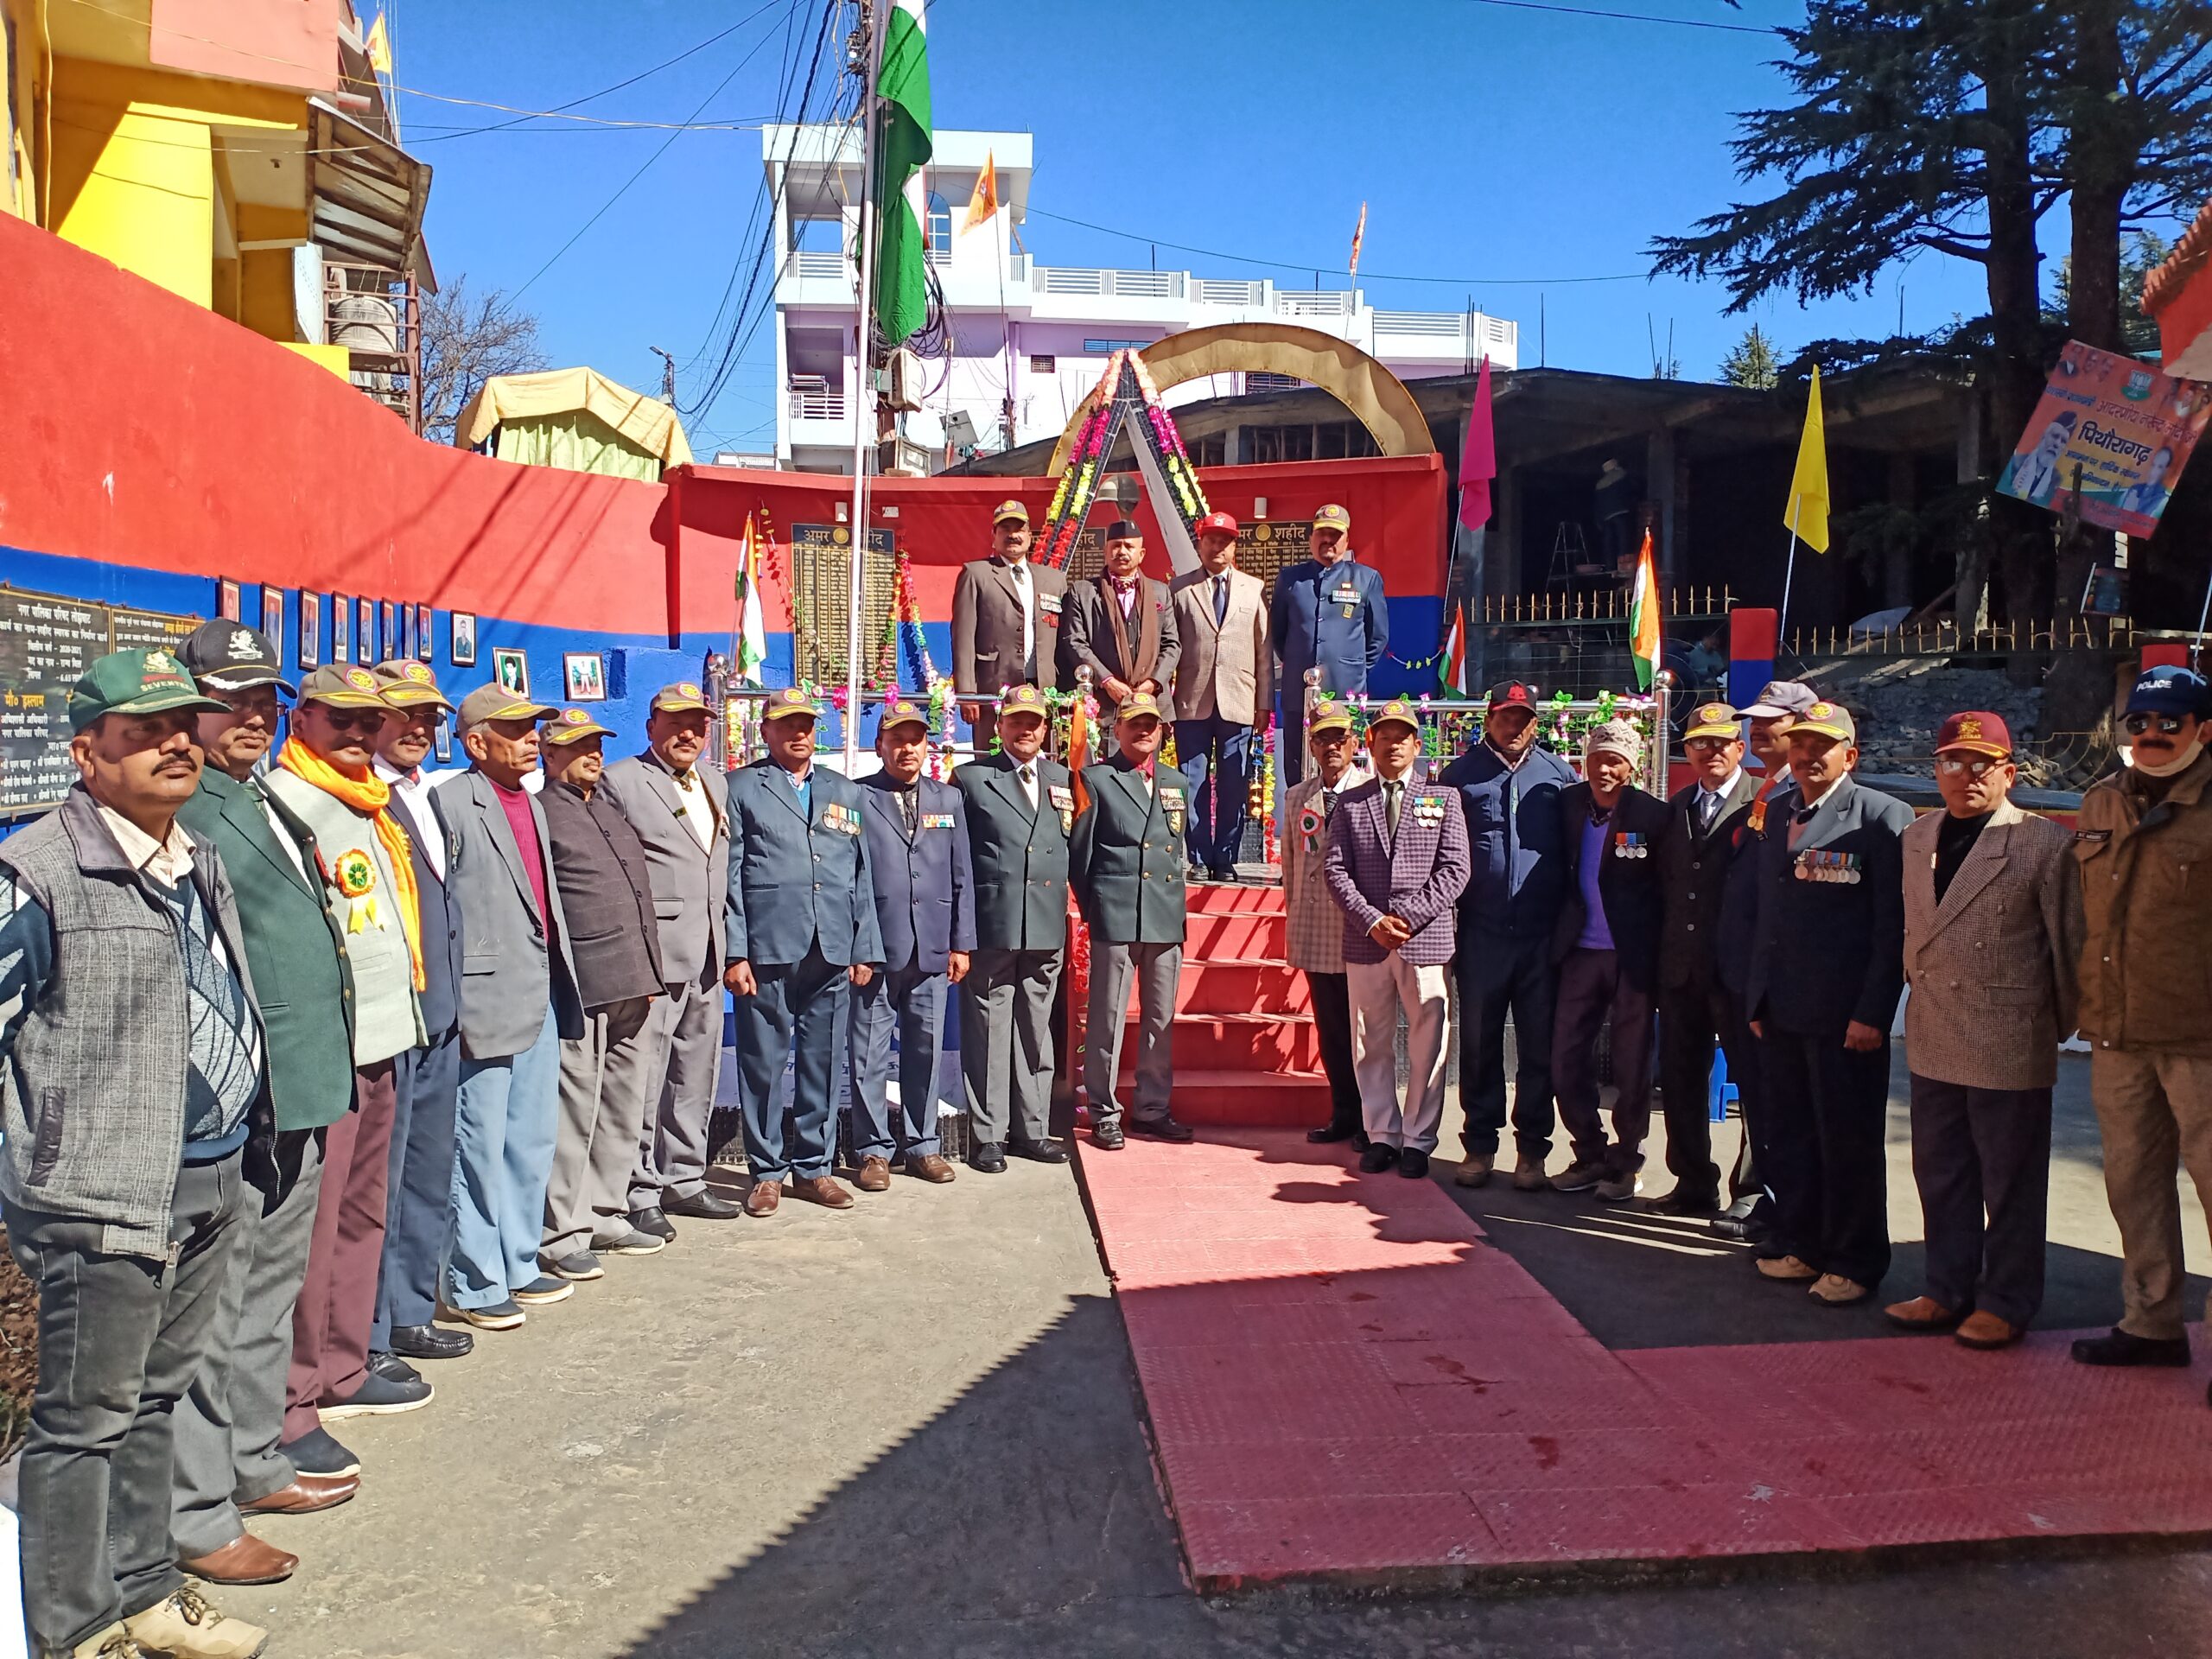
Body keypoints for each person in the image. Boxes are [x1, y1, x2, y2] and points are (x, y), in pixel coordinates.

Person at [0, 648, 273, 1659]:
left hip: (208, 1174)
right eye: (143, 732)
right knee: (83, 1422)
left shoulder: (191, 857)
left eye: (181, 727)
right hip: (105, 1195)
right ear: (87, 753)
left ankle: (149, 1594)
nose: (174, 746)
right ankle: (76, 1630)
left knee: (156, 1402)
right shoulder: (37, 872)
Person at [168, 625, 357, 1590]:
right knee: (214, 1304)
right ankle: (197, 1507)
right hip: (244, 1092)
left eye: (263, 701)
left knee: (268, 1287)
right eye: (230, 701)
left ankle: (253, 1459)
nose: (253, 717)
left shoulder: (254, 794)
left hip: (303, 1081)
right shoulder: (187, 804)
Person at [262, 665, 429, 1475]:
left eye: (370, 722)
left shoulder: (366, 801)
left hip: (384, 1034)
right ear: (304, 722)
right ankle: (295, 1394)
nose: (360, 735)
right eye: (343, 721)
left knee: (363, 1213)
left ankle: (344, 1364)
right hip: (331, 1046)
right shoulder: (287, 803)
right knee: (315, 1230)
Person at [1885, 711, 2082, 1349]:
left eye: (1981, 764)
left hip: (2008, 1033)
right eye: (1952, 762)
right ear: (1935, 770)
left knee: (2010, 1179)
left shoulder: (2041, 842)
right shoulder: (1917, 837)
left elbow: (2069, 944)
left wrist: (2054, 1024)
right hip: (1934, 1027)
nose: (1965, 775)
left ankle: (2007, 1300)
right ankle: (1947, 1288)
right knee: (1941, 1171)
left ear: (2009, 773)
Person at [1744, 700, 1913, 1307]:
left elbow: (1890, 928)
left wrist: (1873, 1012)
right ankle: (1805, 1243)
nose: (1809, 756)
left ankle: (1855, 1259)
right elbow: (1769, 916)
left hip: (1845, 1017)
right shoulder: (1777, 810)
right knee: (1792, 1135)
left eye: (1823, 746)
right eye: (1801, 744)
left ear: (1851, 755)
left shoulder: (1882, 816)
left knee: (1848, 1141)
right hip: (1784, 1008)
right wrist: (1758, 997)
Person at [2069, 664, 2212, 1381]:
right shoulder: (2101, 801)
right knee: (2133, 1186)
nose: (2152, 735)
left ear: (2203, 731)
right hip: (2118, 1034)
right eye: (2140, 723)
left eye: (2169, 723)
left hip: (2201, 1040)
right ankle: (2151, 1324)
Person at [437, 684, 586, 1328]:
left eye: (533, 728)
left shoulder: (531, 802)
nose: (531, 740)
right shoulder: (451, 804)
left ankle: (519, 1260)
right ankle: (472, 1279)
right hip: (484, 997)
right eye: (516, 730)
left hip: (541, 987)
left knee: (531, 1138)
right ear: (477, 743)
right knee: (478, 1143)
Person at [722, 687, 883, 1215]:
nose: (799, 733)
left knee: (823, 1060)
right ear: (765, 730)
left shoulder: (844, 790)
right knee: (763, 1064)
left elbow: (860, 873)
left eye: (807, 724)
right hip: (768, 947)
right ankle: (767, 1172)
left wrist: (864, 947)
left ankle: (814, 1168)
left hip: (831, 946)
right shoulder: (741, 787)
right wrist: (735, 952)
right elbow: (730, 876)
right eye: (787, 724)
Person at [599, 682, 741, 1238]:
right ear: (651, 725)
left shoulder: (715, 782)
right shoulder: (621, 782)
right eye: (676, 722)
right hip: (655, 955)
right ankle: (638, 1189)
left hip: (708, 952)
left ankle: (683, 1176)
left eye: (698, 725)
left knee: (695, 1073)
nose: (688, 734)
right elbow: (612, 874)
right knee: (644, 1076)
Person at [365, 660, 473, 1380]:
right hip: (393, 1017)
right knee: (380, 1182)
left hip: (440, 1012)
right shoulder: (363, 796)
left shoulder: (425, 794)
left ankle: (409, 1309)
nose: (421, 729)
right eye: (406, 716)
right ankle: (369, 1329)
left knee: (427, 1172)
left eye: (431, 718)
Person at [537, 709, 668, 1281]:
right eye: (577, 745)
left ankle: (606, 1212)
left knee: (622, 1104)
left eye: (595, 743)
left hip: (634, 980)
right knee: (575, 1109)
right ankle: (561, 1231)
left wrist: (651, 972)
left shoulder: (608, 808)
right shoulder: (543, 813)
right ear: (550, 755)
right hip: (584, 983)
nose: (592, 753)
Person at [1323, 698, 1472, 1179]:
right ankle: (1382, 1134)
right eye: (1384, 737)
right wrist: (1372, 920)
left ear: (1417, 744)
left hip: (1423, 939)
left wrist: (1404, 916)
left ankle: (1419, 1141)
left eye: (1402, 737)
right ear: (1369, 744)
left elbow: (1456, 869)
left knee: (1429, 1042)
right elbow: (1334, 869)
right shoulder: (1352, 802)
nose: (1393, 745)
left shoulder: (1443, 798)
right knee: (1370, 1040)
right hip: (1367, 940)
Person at [1439, 680, 1574, 1191]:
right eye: (1504, 717)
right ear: (1488, 719)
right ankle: (1479, 1145)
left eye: (1522, 718)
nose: (1512, 726)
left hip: (1541, 936)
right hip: (1482, 933)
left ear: (1535, 723)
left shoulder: (1559, 776)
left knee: (1539, 1045)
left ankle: (1533, 1151)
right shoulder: (1459, 777)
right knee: (1479, 1043)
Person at [850, 699, 976, 1187]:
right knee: (869, 1054)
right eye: (896, 740)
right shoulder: (859, 797)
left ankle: (923, 1145)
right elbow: (849, 879)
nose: (907, 749)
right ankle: (873, 1151)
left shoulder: (949, 800)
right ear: (879, 745)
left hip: (932, 948)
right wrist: (858, 946)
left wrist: (961, 943)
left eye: (916, 740)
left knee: (925, 1048)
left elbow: (962, 875)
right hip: (877, 951)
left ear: (927, 746)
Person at [1710, 678, 1818, 1240]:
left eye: (1772, 721)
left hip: (1776, 979)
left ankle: (1768, 1199)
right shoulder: (1772, 790)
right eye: (1755, 720)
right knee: (1758, 1091)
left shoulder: (1798, 796)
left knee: (1777, 1098)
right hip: (1741, 972)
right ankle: (1761, 1194)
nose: (1757, 730)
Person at [955, 685, 1076, 1172]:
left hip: (1044, 923)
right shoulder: (972, 779)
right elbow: (958, 860)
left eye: (1034, 722)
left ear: (1045, 729)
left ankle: (1033, 1128)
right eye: (1017, 721)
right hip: (995, 924)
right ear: (1000, 725)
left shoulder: (1062, 778)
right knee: (989, 1031)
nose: (1026, 730)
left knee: (1036, 1032)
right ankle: (989, 1135)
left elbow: (1074, 847)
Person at [1548, 720, 1669, 1202]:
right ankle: (1589, 1153)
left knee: (1631, 1063)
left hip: (1631, 955)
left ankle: (1625, 1161)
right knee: (1565, 1056)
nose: (1604, 769)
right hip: (1579, 951)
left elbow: (1666, 888)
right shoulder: (1567, 806)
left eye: (1615, 761)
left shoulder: (1653, 815)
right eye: (1597, 759)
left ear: (1631, 767)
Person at [1649, 700, 1762, 1217]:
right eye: (1700, 744)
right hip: (1681, 969)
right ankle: (1693, 1181)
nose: (1710, 752)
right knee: (1681, 1081)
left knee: (1754, 1088)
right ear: (1687, 750)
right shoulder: (1676, 807)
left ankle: (1752, 1192)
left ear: (1739, 748)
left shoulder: (1763, 804)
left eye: (1721, 743)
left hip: (1737, 974)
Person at [1072, 692, 1194, 1148]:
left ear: (1162, 731)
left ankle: (1152, 1109)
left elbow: (1177, 845)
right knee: (1107, 1018)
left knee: (1160, 1019)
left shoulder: (1176, 781)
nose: (1144, 731)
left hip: (1164, 913)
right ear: (1117, 730)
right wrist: (1097, 908)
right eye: (1134, 724)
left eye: (1151, 724)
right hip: (1117, 912)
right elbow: (1081, 856)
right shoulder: (1097, 779)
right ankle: (1104, 1110)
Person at [1284, 701, 1372, 1147]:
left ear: (1354, 743)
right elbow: (1290, 863)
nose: (1332, 747)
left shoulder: (1371, 790)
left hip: (1360, 928)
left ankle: (1374, 1121)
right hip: (1317, 926)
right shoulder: (1297, 796)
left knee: (1366, 1032)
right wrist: (1293, 914)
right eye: (1323, 739)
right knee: (1332, 1029)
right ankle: (1343, 1114)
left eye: (1339, 738)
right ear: (1312, 745)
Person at [1168, 511, 1269, 881]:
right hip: (1192, 701)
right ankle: (1197, 857)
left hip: (1238, 700)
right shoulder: (1180, 589)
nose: (1217, 547)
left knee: (1234, 783)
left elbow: (1263, 651)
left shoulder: (1252, 589)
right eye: (1211, 540)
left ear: (1234, 547)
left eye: (1225, 542)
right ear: (1200, 544)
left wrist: (1264, 703)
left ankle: (1225, 858)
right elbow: (1170, 647)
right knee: (1192, 782)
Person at [1268, 504, 1388, 787]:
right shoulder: (1290, 579)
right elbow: (1278, 634)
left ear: (1346, 540)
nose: (1328, 541)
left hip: (1346, 691)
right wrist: (1299, 661)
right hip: (1299, 692)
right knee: (1297, 767)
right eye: (1322, 534)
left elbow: (1378, 637)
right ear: (1311, 538)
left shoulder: (1366, 579)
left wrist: (1351, 667)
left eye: (1335, 535)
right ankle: (1301, 815)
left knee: (1346, 765)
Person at [953, 499, 1067, 750]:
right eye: (1005, 529)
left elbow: (1063, 639)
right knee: (992, 757)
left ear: (1029, 536)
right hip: (994, 686)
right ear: (994, 536)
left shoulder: (1054, 579)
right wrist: (967, 693)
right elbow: (963, 637)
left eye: (1019, 529)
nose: (1013, 535)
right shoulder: (977, 574)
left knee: (1043, 756)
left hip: (1043, 688)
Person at [1058, 519, 1182, 729]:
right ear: (1105, 552)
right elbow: (1074, 640)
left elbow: (1172, 645)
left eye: (1129, 546)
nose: (1122, 551)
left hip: (1150, 704)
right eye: (1116, 546)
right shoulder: (1083, 592)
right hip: (1103, 705)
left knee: (1147, 751)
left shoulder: (1160, 593)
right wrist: (1107, 681)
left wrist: (1153, 682)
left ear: (1141, 554)